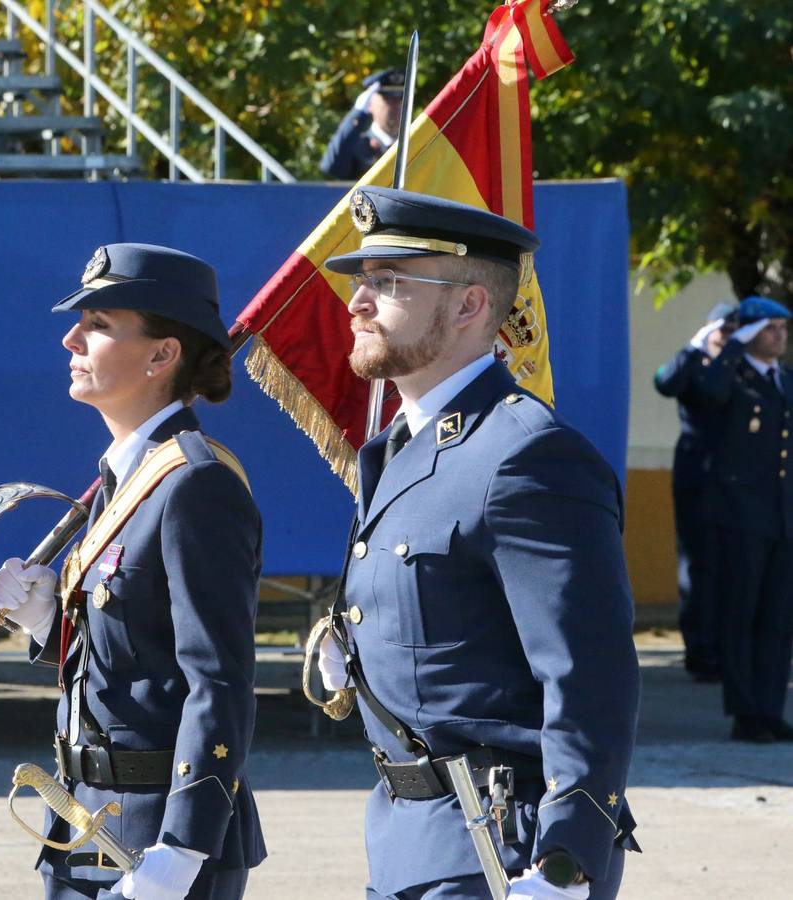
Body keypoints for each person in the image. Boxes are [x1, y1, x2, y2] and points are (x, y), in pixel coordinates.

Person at [315, 187, 640, 899]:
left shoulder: (526, 454)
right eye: (362, 281)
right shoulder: (394, 450)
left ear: (468, 306)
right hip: (408, 842)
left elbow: (590, 677)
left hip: (505, 849)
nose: (357, 303)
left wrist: (567, 859)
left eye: (389, 282)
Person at [0, 243, 266, 900]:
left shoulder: (194, 483)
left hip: (154, 838)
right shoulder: (126, 476)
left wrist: (183, 847)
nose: (71, 338)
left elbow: (218, 680)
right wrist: (49, 624)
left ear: (161, 355)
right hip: (84, 824)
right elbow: (138, 656)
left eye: (99, 324)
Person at [691, 294, 793, 743]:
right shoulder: (731, 376)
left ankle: (770, 709)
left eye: (783, 329)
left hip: (782, 516)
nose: (780, 336)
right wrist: (734, 345)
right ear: (750, 332)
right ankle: (745, 712)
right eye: (770, 328)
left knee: (778, 618)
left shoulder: (784, 380)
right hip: (740, 515)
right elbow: (707, 394)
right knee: (742, 613)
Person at [653, 302, 739, 681]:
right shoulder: (692, 362)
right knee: (698, 566)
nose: (728, 337)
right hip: (697, 478)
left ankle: (726, 649)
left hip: (734, 480)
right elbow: (665, 382)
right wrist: (693, 346)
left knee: (731, 566)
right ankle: (700, 652)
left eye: (735, 331)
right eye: (723, 329)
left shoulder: (738, 366)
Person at [319, 67, 404, 181]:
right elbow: (332, 166)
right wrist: (358, 114)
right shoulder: (357, 145)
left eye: (401, 99)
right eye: (388, 99)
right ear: (370, 104)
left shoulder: (412, 144)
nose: (396, 105)